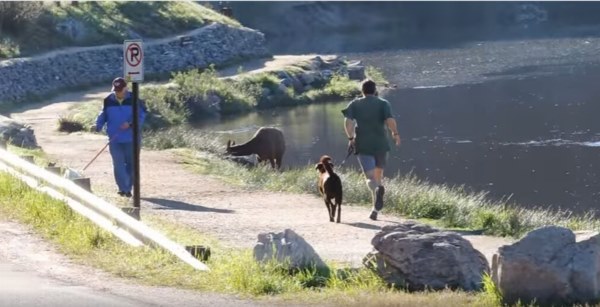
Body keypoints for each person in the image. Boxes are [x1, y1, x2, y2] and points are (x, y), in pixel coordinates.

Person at [341, 79, 401, 220]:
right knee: (378, 176)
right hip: (381, 144)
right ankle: (375, 210)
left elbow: (348, 122)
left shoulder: (355, 104)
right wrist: (395, 134)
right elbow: (390, 120)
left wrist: (350, 138)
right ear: (374, 90)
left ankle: (377, 194)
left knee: (370, 178)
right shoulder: (383, 103)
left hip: (364, 145)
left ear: (362, 91)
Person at [94, 77, 146, 198]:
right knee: (118, 164)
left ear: (125, 88)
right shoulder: (108, 100)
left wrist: (131, 124)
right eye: (115, 90)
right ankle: (123, 189)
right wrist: (98, 125)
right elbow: (103, 115)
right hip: (115, 139)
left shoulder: (134, 99)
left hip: (132, 139)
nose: (117, 92)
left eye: (120, 90)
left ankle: (128, 187)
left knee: (131, 164)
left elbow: (142, 115)